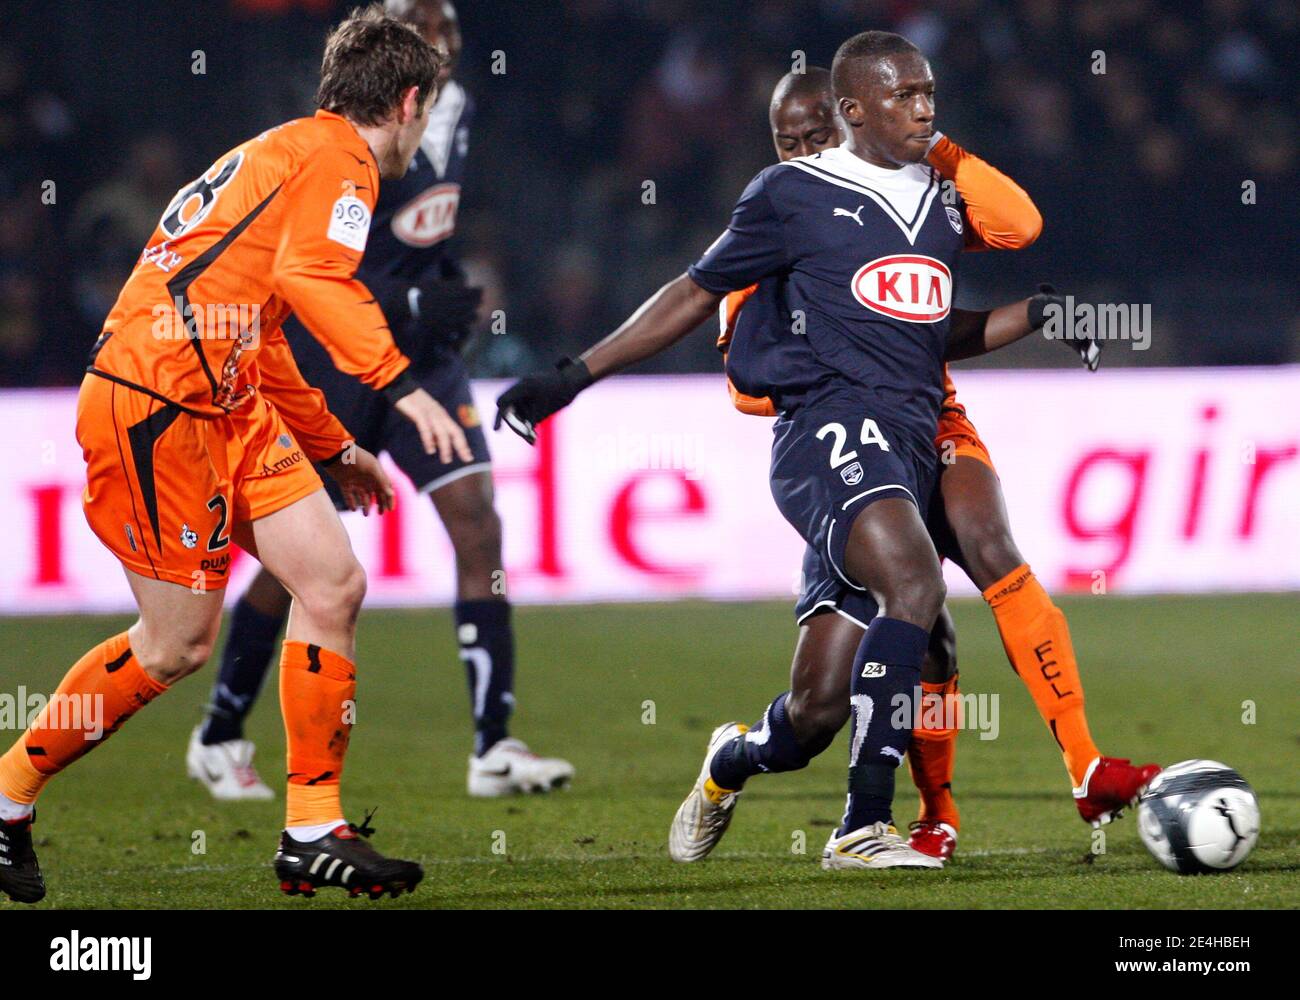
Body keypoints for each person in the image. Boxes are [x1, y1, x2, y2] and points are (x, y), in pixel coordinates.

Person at [496, 32, 1154, 871]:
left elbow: (956, 292)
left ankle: (741, 761)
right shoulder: (788, 197)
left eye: (929, 92)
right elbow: (696, 298)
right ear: (853, 111)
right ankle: (861, 828)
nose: (927, 107)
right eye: (907, 95)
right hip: (830, 432)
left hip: (921, 428)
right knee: (916, 588)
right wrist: (570, 375)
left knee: (818, 711)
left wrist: (1042, 314)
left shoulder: (940, 201)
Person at [0, 6, 470, 904]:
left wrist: (334, 445)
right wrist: (400, 384)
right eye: (429, 107)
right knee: (177, 645)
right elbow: (310, 282)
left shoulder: (286, 150)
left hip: (229, 396)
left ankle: (310, 829)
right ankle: (7, 795)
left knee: (331, 584)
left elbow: (267, 324)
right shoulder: (343, 165)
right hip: (157, 402)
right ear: (409, 101)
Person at [676, 67, 1155, 866]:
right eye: (785, 141)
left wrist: (1035, 312)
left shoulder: (913, 195)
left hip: (932, 422)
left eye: (816, 136)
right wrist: (843, 372)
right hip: (845, 453)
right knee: (812, 715)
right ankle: (732, 760)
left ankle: (1060, 773)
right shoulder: (773, 227)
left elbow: (993, 252)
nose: (803, 152)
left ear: (848, 125)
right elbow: (743, 388)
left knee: (983, 557)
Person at [187, 0, 573, 804]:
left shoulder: (456, 108)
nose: (433, 42)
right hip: (337, 357)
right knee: (304, 560)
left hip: (425, 360)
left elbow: (422, 231)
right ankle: (220, 731)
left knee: (478, 520)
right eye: (415, 28)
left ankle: (493, 745)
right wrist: (405, 303)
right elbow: (315, 271)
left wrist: (444, 295)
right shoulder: (346, 135)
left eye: (440, 29)